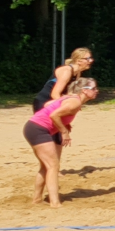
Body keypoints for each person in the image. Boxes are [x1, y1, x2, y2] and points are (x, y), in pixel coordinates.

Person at [23, 77, 99, 208]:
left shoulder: (71, 99)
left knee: (46, 166)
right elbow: (53, 115)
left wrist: (65, 122)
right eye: (93, 88)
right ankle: (55, 203)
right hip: (38, 129)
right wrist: (64, 131)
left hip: (33, 127)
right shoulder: (74, 102)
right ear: (84, 91)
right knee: (53, 166)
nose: (96, 91)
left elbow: (48, 105)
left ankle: (37, 199)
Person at [33, 48, 95, 112]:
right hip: (44, 102)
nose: (91, 60)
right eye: (87, 59)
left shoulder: (77, 72)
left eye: (90, 58)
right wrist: (66, 105)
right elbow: (55, 94)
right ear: (78, 61)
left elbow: (70, 92)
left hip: (53, 102)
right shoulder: (66, 71)